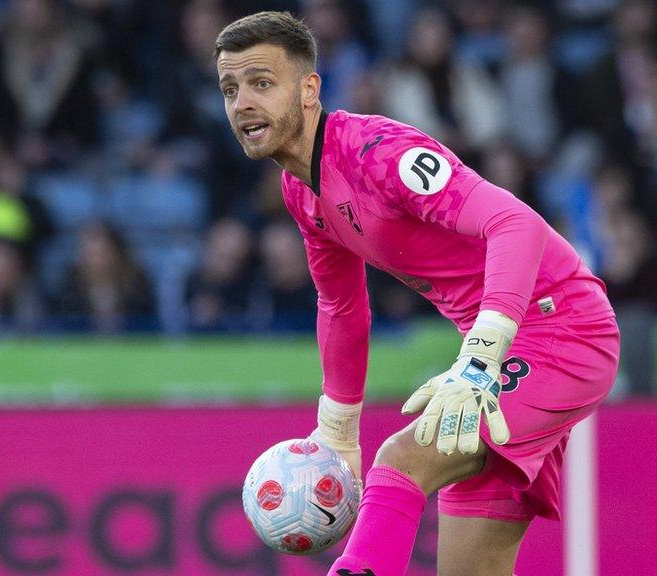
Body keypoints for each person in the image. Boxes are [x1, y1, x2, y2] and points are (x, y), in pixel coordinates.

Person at [214, 11, 619, 575]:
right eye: (230, 89)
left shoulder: (379, 154)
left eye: (262, 83)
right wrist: (338, 430)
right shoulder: (301, 190)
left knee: (404, 457)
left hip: (559, 330)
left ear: (309, 90)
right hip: (507, 348)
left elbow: (516, 225)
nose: (242, 104)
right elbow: (342, 305)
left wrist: (481, 359)